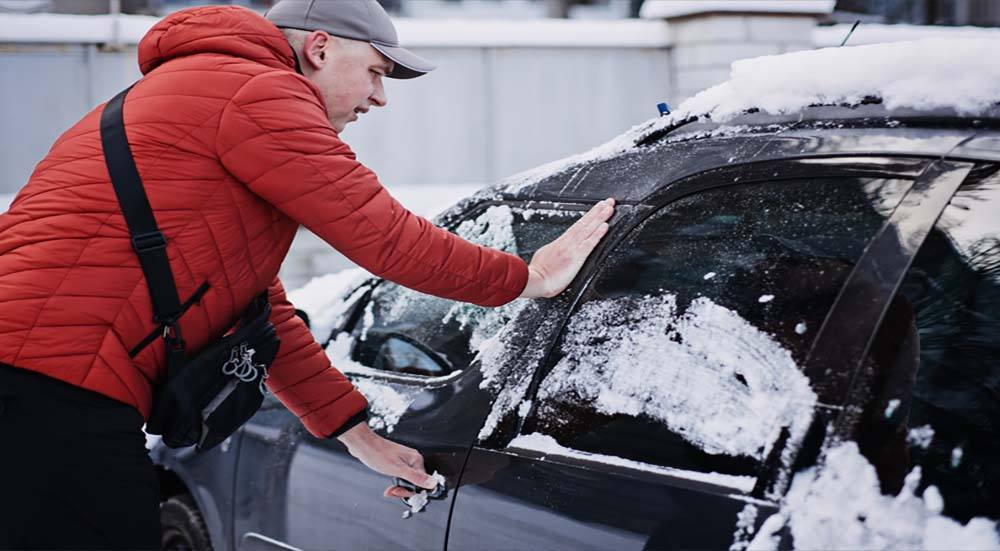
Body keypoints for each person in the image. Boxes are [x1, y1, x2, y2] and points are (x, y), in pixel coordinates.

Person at [0, 1, 614, 548]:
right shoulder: (255, 91)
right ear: (320, 47)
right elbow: (385, 238)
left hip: (38, 384)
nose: (379, 96)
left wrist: (355, 434)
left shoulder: (206, 92)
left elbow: (253, 313)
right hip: (48, 386)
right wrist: (528, 276)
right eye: (376, 71)